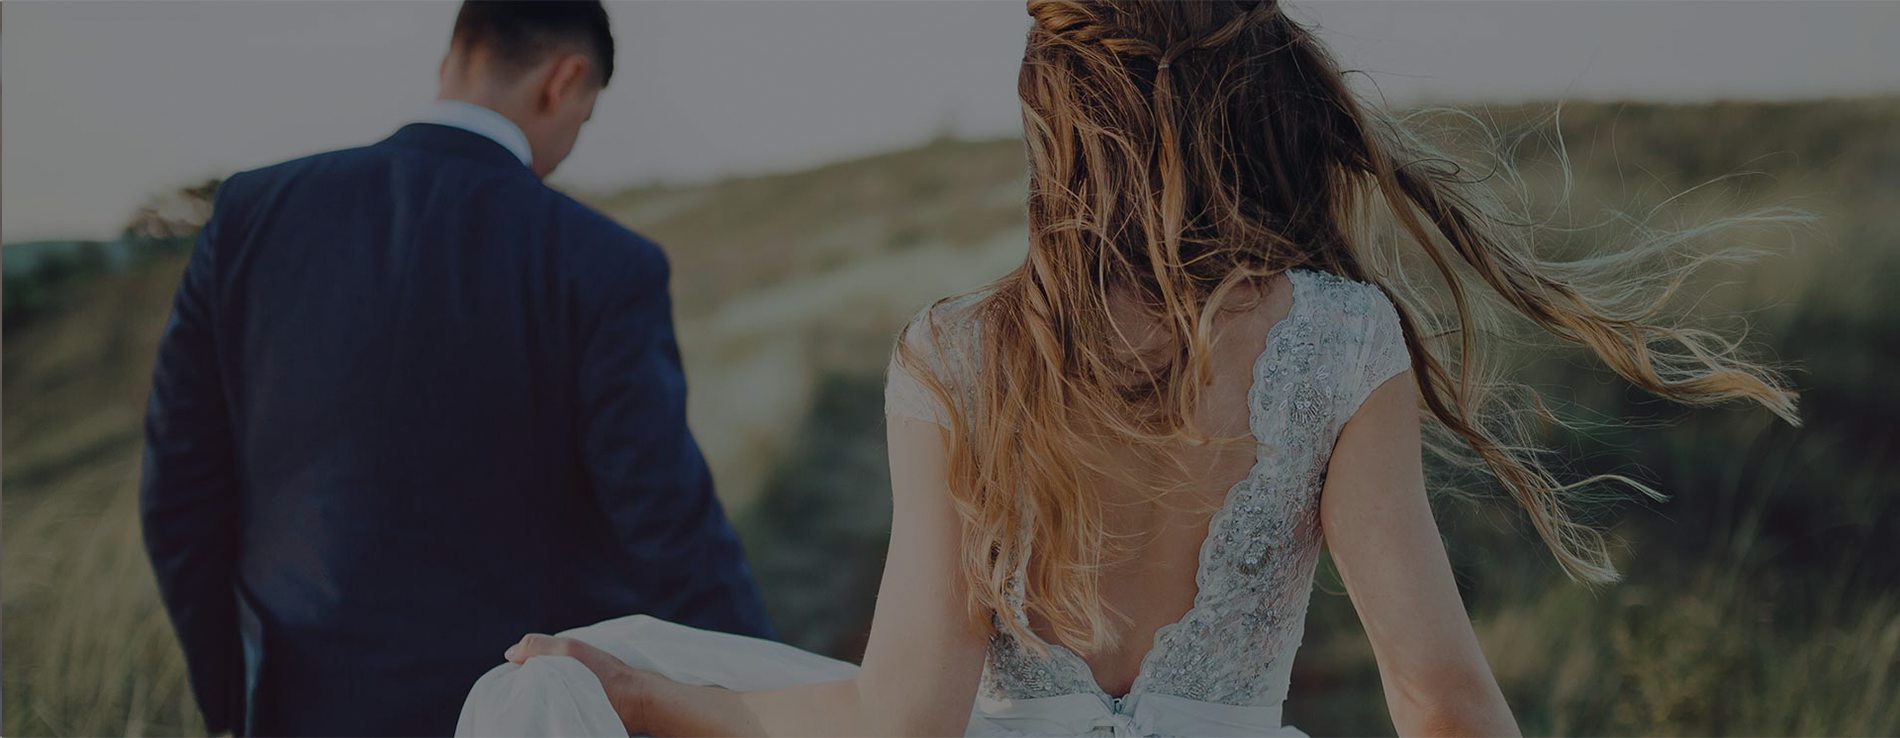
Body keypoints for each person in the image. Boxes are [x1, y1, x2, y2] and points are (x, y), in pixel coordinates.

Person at [460, 1, 1800, 736]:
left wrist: (636, 694)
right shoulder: (1339, 341)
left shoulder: (953, 359)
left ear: (1062, 138)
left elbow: (899, 719)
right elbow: (1439, 693)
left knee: (615, 663)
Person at [138, 3, 773, 735]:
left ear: (454, 60)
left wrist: (238, 696)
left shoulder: (252, 213)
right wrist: (762, 704)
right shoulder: (599, 263)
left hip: (296, 704)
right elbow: (668, 530)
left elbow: (177, 494)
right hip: (516, 712)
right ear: (563, 82)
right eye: (585, 117)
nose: (569, 144)